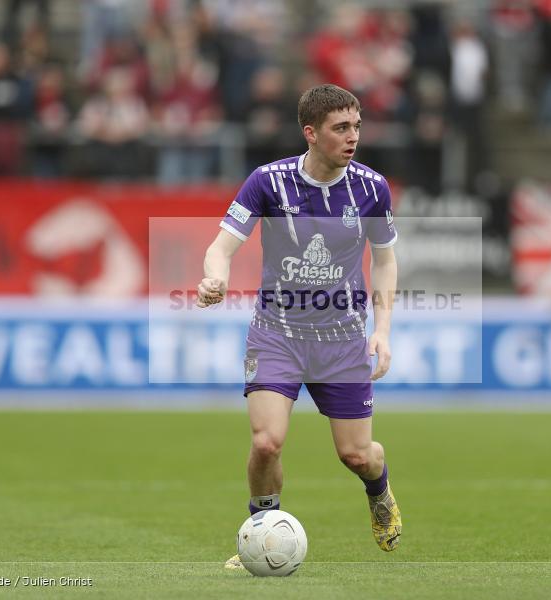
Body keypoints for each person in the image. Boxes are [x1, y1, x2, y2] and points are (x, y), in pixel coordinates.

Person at [194, 84, 402, 569]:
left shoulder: (372, 188)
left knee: (357, 456)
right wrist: (215, 279)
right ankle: (262, 531)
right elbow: (221, 246)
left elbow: (386, 262)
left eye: (356, 126)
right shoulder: (268, 181)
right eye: (340, 128)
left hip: (343, 341)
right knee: (266, 442)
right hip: (277, 333)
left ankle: (380, 489)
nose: (353, 137)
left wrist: (383, 329)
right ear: (311, 133)